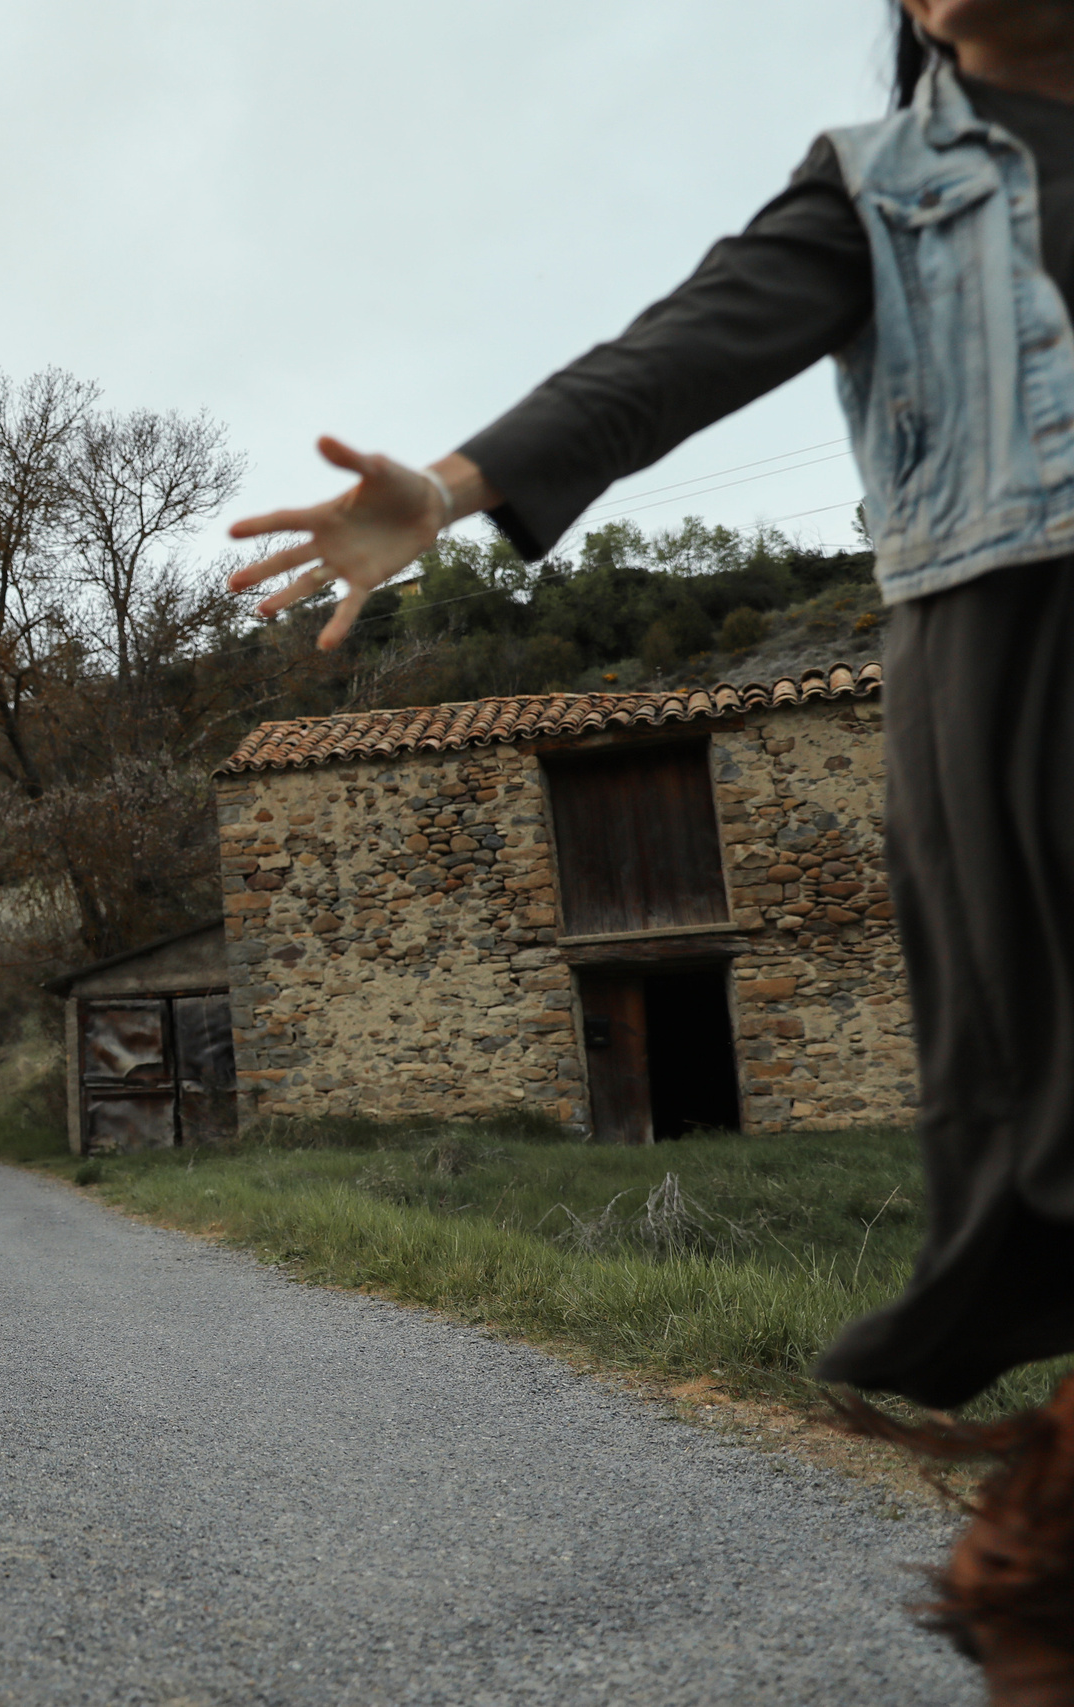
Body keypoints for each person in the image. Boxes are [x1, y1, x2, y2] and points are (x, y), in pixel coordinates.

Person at [227, 1, 1074, 1698]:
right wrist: (456, 491)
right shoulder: (885, 182)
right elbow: (679, 352)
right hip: (1021, 645)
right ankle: (1049, 1580)